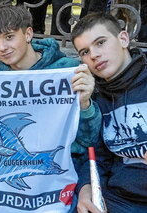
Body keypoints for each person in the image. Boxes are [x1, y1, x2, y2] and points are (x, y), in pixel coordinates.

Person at [0, 5, 102, 212]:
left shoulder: (67, 71)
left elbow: (91, 140)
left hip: (61, 174)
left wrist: (85, 105)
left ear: (28, 33)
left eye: (9, 37)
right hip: (11, 177)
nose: (2, 47)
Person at [71, 12, 147, 213]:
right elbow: (97, 157)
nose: (93, 55)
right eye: (85, 51)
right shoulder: (95, 96)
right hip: (117, 199)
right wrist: (86, 190)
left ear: (123, 39)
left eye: (100, 43)